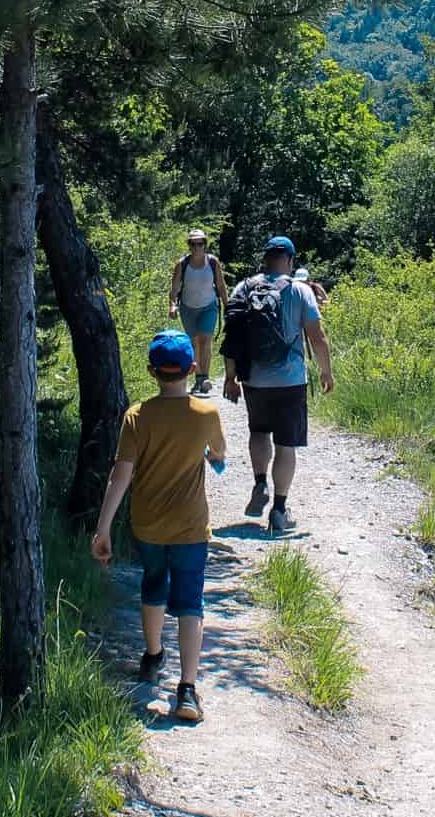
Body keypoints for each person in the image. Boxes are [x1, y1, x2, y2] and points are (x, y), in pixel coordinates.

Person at [91, 328, 227, 724]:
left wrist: (103, 529)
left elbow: (120, 475)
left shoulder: (138, 416)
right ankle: (186, 689)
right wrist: (209, 452)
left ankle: (152, 657)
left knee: (153, 586)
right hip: (190, 527)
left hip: (147, 524)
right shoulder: (207, 414)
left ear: (152, 371)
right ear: (194, 368)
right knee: (190, 602)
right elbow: (219, 455)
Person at [220, 234, 333, 538]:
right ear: (290, 261)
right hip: (290, 380)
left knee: (258, 432)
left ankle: (259, 484)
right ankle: (280, 511)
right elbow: (317, 337)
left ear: (265, 258)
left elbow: (231, 338)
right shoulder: (300, 290)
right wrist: (326, 372)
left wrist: (230, 378)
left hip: (253, 378)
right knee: (286, 445)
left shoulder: (244, 287)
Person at [167, 227, 228, 394]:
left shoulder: (213, 262)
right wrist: (172, 305)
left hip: (209, 307)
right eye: (193, 244)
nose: (197, 247)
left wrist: (228, 307)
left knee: (205, 340)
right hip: (188, 308)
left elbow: (221, 287)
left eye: (200, 244)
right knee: (194, 342)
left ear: (205, 245)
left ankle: (204, 378)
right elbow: (174, 289)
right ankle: (198, 379)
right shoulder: (182, 264)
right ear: (189, 245)